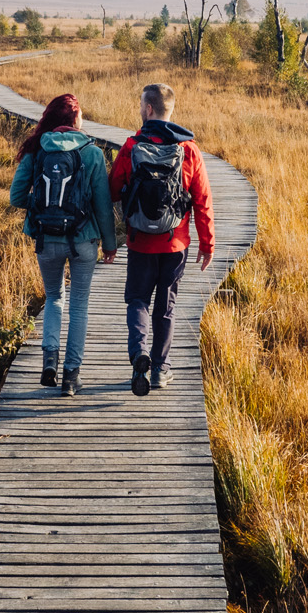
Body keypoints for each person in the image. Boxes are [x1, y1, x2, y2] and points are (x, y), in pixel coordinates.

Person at [110, 82, 213, 396]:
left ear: (149, 110)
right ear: (172, 111)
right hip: (175, 244)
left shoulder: (131, 146)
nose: (140, 109)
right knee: (165, 308)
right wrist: (207, 243)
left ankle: (138, 351)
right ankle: (159, 369)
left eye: (142, 105)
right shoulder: (189, 150)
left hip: (140, 242)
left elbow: (112, 189)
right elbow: (202, 199)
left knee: (137, 300)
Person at [10, 94, 117, 396]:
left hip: (47, 240)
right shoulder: (92, 153)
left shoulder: (37, 149)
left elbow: (16, 197)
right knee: (79, 305)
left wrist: (43, 210)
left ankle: (49, 361)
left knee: (55, 297)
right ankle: (71, 376)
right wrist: (109, 244)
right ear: (74, 119)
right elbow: (103, 206)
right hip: (84, 242)